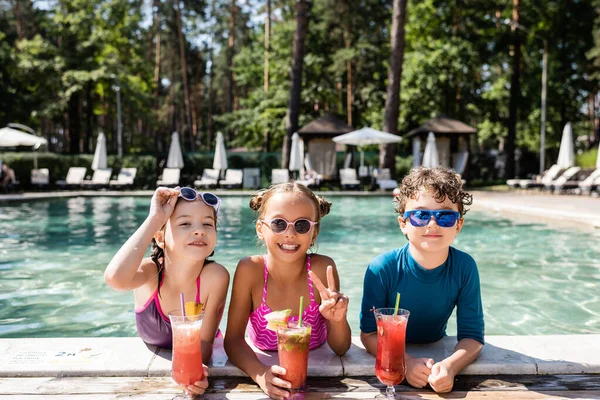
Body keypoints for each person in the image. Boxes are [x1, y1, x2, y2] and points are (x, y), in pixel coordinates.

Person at [359, 166, 484, 393]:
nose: (432, 224)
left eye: (445, 215)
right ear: (403, 223)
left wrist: (450, 366)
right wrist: (404, 362)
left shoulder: (465, 268)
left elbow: (473, 337)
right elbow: (368, 335)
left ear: (459, 225)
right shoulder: (382, 269)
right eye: (420, 215)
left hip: (436, 348)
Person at [224, 182, 351, 400]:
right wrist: (260, 373)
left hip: (317, 382)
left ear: (314, 233)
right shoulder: (250, 270)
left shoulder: (321, 269)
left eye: (301, 225)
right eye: (279, 224)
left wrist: (338, 319)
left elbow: (340, 348)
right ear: (260, 229)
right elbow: (233, 340)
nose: (289, 233)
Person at [104, 187, 230, 397]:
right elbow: (115, 278)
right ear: (160, 238)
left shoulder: (215, 276)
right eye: (185, 223)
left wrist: (196, 370)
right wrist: (155, 218)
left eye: (208, 223)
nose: (199, 230)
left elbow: (205, 341)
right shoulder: (150, 272)